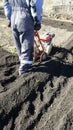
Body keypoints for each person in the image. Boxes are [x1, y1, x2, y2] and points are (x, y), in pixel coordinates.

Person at [4, 0, 43, 75]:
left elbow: (6, 5)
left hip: (13, 17)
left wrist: (9, 18)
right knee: (26, 44)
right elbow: (36, 4)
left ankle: (22, 61)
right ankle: (24, 69)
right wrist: (37, 20)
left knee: (18, 44)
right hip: (25, 17)